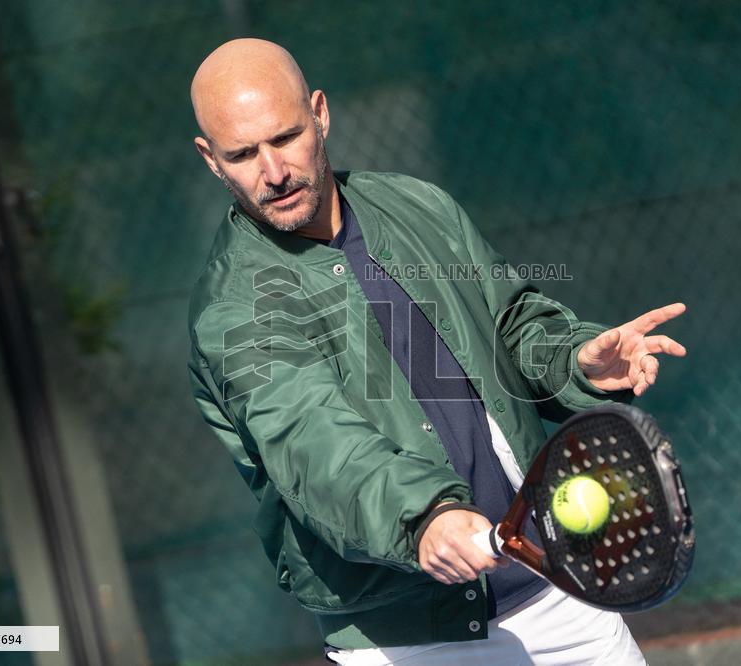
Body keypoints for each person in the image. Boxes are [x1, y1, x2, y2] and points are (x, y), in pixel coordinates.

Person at [186, 38, 686, 665]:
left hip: (559, 589)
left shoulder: (417, 207)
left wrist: (575, 360)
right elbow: (316, 448)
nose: (273, 171)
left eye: (284, 138)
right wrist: (426, 517)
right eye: (242, 154)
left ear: (320, 113)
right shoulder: (235, 310)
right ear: (211, 160)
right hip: (409, 643)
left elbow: (508, 324)